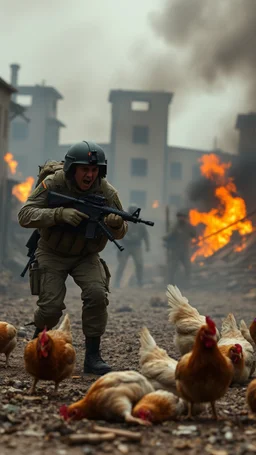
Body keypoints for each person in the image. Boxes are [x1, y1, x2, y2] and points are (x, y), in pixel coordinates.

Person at [18, 141, 128, 375]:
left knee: (97, 294)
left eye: (94, 170)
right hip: (52, 252)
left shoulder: (107, 193)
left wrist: (117, 224)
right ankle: (39, 340)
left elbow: (121, 229)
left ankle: (93, 356)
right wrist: (59, 214)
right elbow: (25, 215)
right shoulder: (53, 184)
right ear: (71, 168)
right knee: (50, 309)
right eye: (84, 169)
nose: (90, 175)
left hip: (86, 255)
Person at [114, 205, 150, 288]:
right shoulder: (124, 222)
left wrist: (147, 246)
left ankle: (140, 281)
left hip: (136, 246)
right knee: (122, 264)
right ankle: (117, 282)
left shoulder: (141, 224)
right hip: (125, 246)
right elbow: (118, 233)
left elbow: (146, 235)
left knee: (139, 263)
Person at [163, 209, 196, 286]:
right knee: (173, 267)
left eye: (183, 217)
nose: (182, 218)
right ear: (178, 217)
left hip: (185, 250)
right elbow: (169, 236)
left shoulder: (189, 226)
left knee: (188, 267)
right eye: (180, 217)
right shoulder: (174, 226)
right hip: (175, 250)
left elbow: (194, 234)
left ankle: (188, 283)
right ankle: (170, 283)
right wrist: (165, 239)